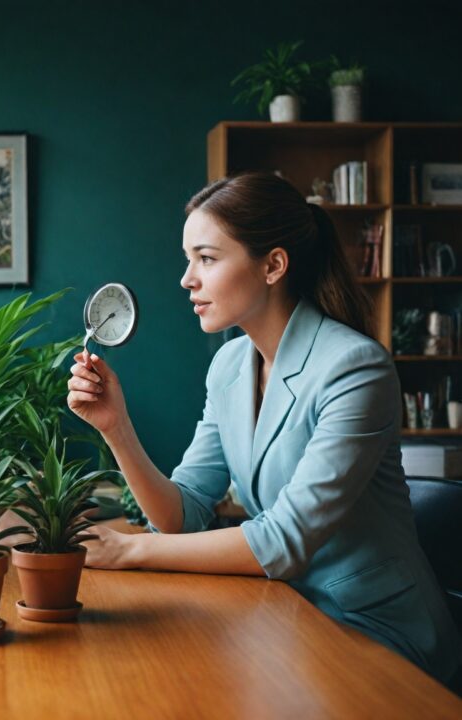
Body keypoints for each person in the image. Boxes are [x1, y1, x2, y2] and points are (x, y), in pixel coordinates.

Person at [68, 172, 461, 684]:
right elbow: (180, 514)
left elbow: (284, 540)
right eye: (189, 260)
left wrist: (129, 549)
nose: (187, 279)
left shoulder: (355, 367)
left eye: (206, 259)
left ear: (273, 265)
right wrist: (115, 427)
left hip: (374, 632)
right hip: (282, 613)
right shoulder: (230, 364)